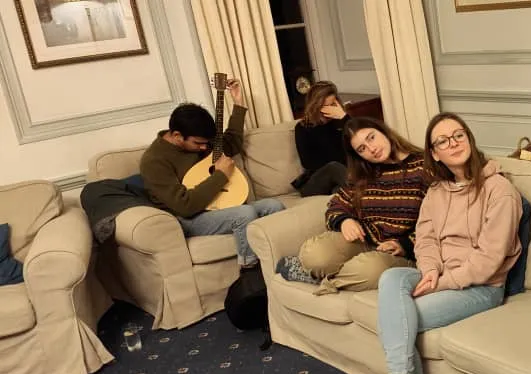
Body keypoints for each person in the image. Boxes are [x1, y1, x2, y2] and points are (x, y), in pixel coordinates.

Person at [363, 113, 523, 374]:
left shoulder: (500, 190)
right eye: (443, 141)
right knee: (391, 277)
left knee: (403, 318)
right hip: (439, 276)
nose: (453, 143)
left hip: (480, 288)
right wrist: (430, 271)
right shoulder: (436, 192)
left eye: (458, 135)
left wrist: (442, 281)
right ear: (434, 153)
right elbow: (425, 239)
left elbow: (489, 260)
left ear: (469, 138)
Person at [139, 80, 285, 274]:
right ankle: (252, 272)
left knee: (274, 206)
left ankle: (282, 263)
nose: (204, 148)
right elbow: (185, 205)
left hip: (217, 206)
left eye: (206, 144)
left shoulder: (202, 142)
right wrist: (221, 175)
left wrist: (239, 103)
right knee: (244, 215)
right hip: (189, 218)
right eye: (198, 143)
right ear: (176, 135)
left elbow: (231, 142)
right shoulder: (154, 160)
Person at [275, 117, 429, 293]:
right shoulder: (363, 173)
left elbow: (439, 220)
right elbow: (336, 205)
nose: (372, 149)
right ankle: (317, 270)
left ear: (383, 131)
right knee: (314, 254)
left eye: (371, 137)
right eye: (362, 149)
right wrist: (344, 220)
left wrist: (405, 244)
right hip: (365, 240)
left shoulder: (423, 167)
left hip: (400, 251)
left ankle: (318, 279)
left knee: (369, 271)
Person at [291, 80, 351, 197]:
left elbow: (360, 142)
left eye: (333, 104)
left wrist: (344, 118)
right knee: (334, 167)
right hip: (315, 182)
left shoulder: (343, 122)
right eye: (325, 106)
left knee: (339, 192)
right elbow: (308, 163)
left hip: (342, 179)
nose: (329, 109)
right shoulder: (303, 128)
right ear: (315, 106)